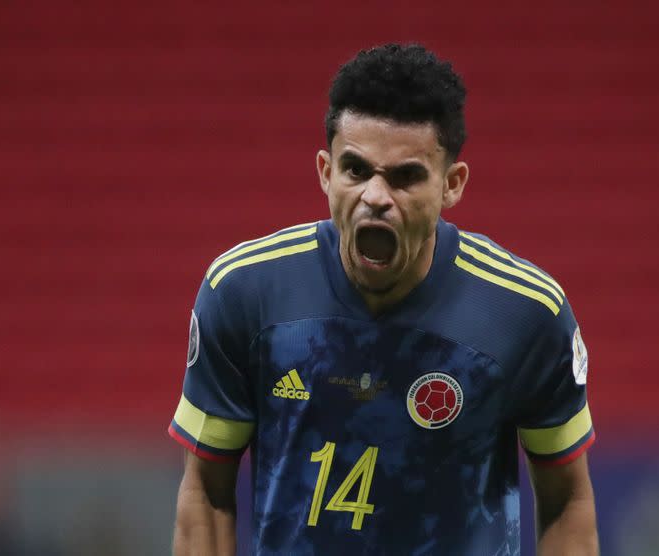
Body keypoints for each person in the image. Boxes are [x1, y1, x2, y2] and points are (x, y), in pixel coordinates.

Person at [169, 43, 598, 556]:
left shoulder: (525, 313)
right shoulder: (245, 292)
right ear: (325, 171)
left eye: (405, 176)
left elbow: (567, 501)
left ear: (451, 184)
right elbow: (208, 495)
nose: (376, 196)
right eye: (356, 170)